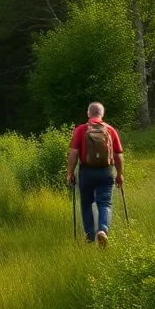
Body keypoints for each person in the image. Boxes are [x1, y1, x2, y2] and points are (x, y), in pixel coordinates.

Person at [66, 101, 124, 247]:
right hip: (106, 171)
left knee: (86, 204)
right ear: (102, 114)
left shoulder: (81, 129)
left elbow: (73, 153)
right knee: (104, 203)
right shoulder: (110, 130)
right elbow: (118, 155)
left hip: (86, 171)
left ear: (88, 114)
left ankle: (89, 237)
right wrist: (119, 174)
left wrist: (70, 173)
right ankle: (103, 230)